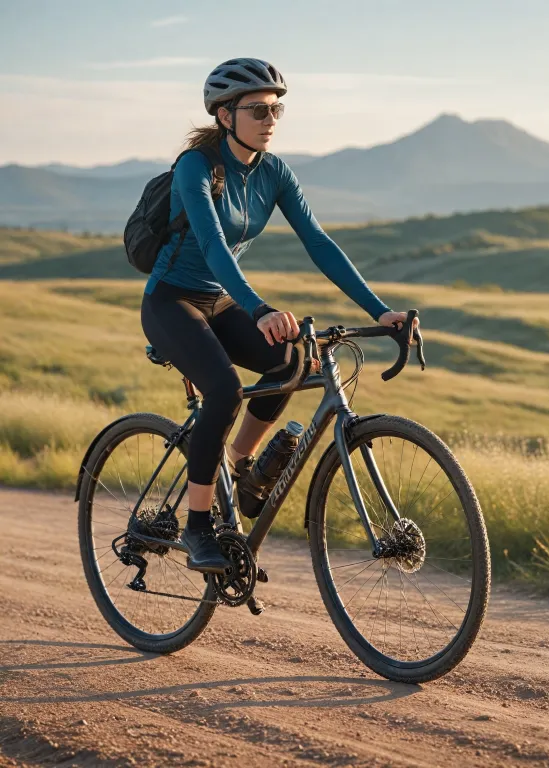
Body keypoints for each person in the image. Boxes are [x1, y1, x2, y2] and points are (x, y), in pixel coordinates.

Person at [140, 58, 415, 572]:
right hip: (170, 301)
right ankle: (198, 526)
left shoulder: (274, 171)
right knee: (223, 389)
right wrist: (260, 308)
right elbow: (213, 247)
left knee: (294, 362)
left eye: (277, 108)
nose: (271, 118)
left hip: (219, 301)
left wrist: (381, 311)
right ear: (225, 115)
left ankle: (241, 470)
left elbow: (319, 244)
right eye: (259, 109)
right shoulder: (196, 166)